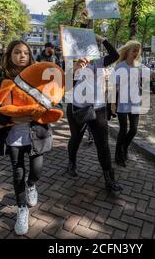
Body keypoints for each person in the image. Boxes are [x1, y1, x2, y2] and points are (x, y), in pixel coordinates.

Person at [0, 40, 62, 236]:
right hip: (13, 137)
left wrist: (43, 112)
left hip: (36, 135)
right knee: (17, 173)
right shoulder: (1, 79)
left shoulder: (40, 77)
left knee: (36, 171)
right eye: (17, 52)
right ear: (9, 55)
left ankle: (32, 185)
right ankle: (22, 208)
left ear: (30, 55)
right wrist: (8, 116)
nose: (22, 55)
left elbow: (56, 100)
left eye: (25, 52)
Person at [66, 11, 123, 192]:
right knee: (76, 138)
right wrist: (74, 69)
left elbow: (115, 56)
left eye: (91, 47)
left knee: (103, 144)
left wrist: (100, 37)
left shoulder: (99, 62)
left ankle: (109, 179)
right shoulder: (71, 63)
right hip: (77, 108)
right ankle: (72, 163)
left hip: (98, 109)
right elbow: (66, 85)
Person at [113, 41, 155, 167]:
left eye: (138, 51)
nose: (136, 53)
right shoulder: (120, 67)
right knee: (123, 130)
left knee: (133, 130)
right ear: (127, 51)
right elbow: (114, 86)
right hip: (122, 102)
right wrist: (112, 104)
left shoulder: (140, 67)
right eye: (134, 50)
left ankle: (124, 148)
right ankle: (118, 155)